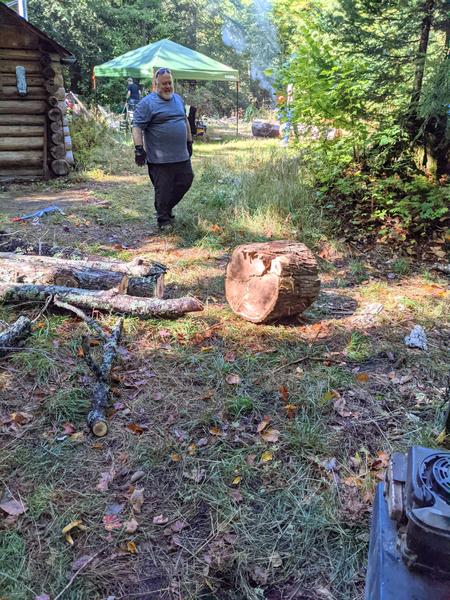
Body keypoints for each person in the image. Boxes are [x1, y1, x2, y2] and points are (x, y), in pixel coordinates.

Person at [132, 68, 194, 230]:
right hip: (160, 160)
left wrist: (189, 141)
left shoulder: (178, 100)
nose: (167, 86)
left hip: (181, 155)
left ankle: (164, 207)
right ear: (155, 84)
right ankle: (163, 219)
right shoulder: (147, 103)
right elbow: (137, 126)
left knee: (186, 180)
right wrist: (139, 148)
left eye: (170, 83)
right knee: (164, 188)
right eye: (164, 84)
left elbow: (185, 121)